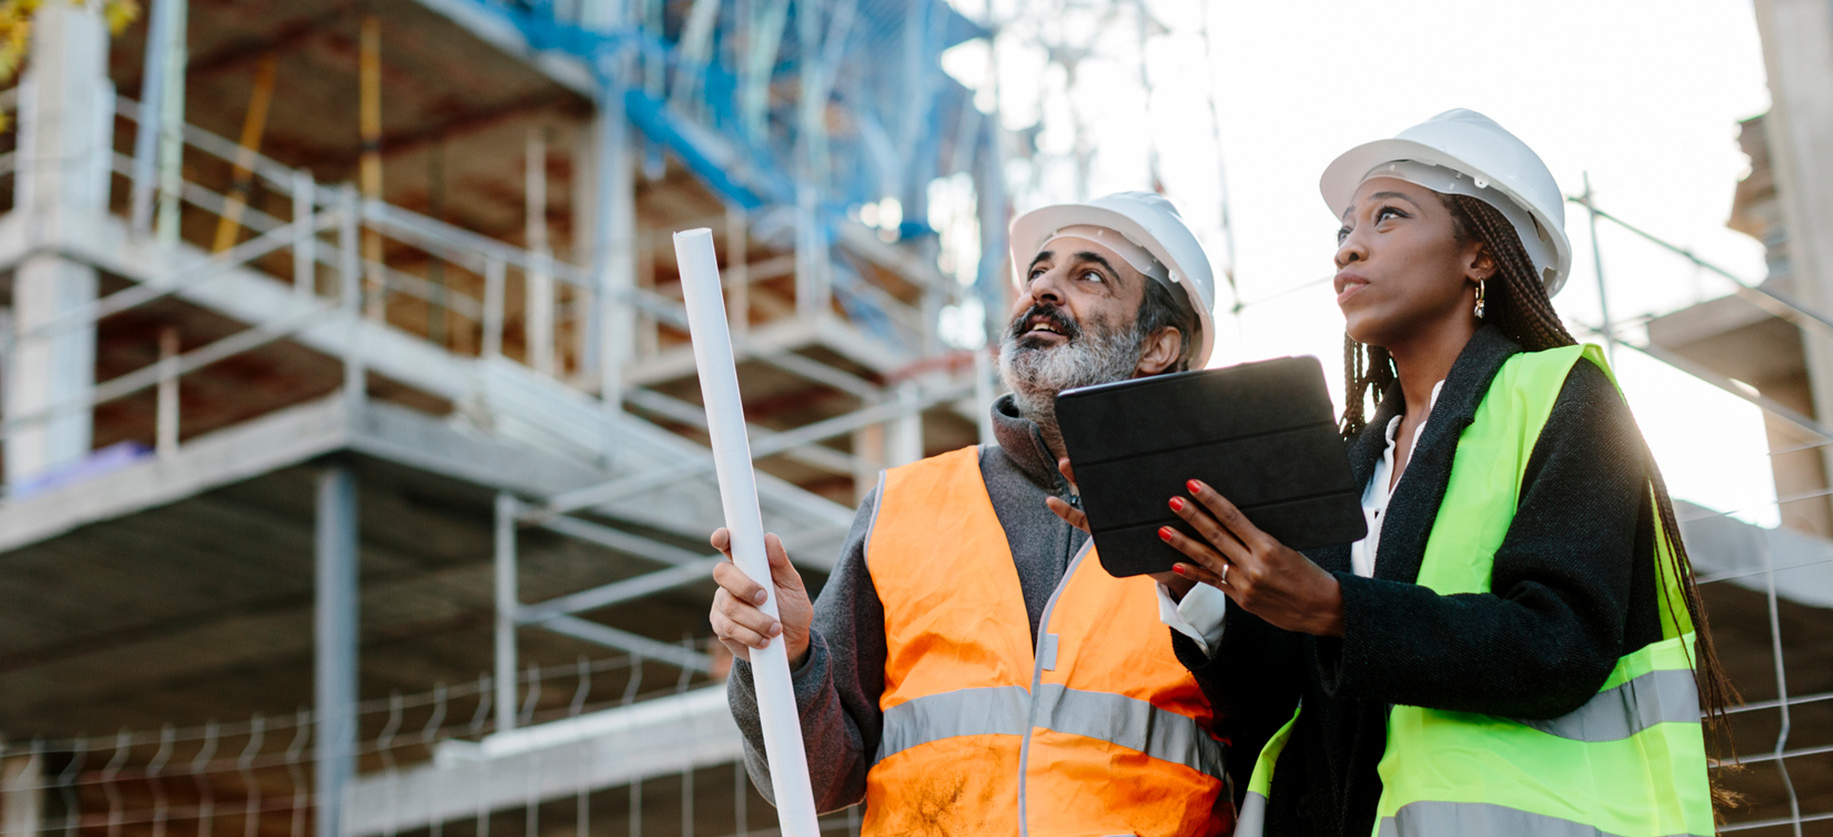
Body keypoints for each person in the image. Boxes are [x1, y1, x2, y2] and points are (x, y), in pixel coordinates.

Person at [1129, 110, 1732, 836]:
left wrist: (1337, 607)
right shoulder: (1349, 461)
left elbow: (1561, 643)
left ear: (1480, 254)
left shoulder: (1564, 396)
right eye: (1345, 230)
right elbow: (1280, 704)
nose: (1350, 246)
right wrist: (1196, 583)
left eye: (1387, 217)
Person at [708, 192, 1238, 835]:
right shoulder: (905, 504)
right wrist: (786, 659)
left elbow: (1288, 748)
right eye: (1037, 273)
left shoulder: (1221, 515)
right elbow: (820, 778)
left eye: (1089, 275)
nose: (1042, 292)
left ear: (1158, 346)